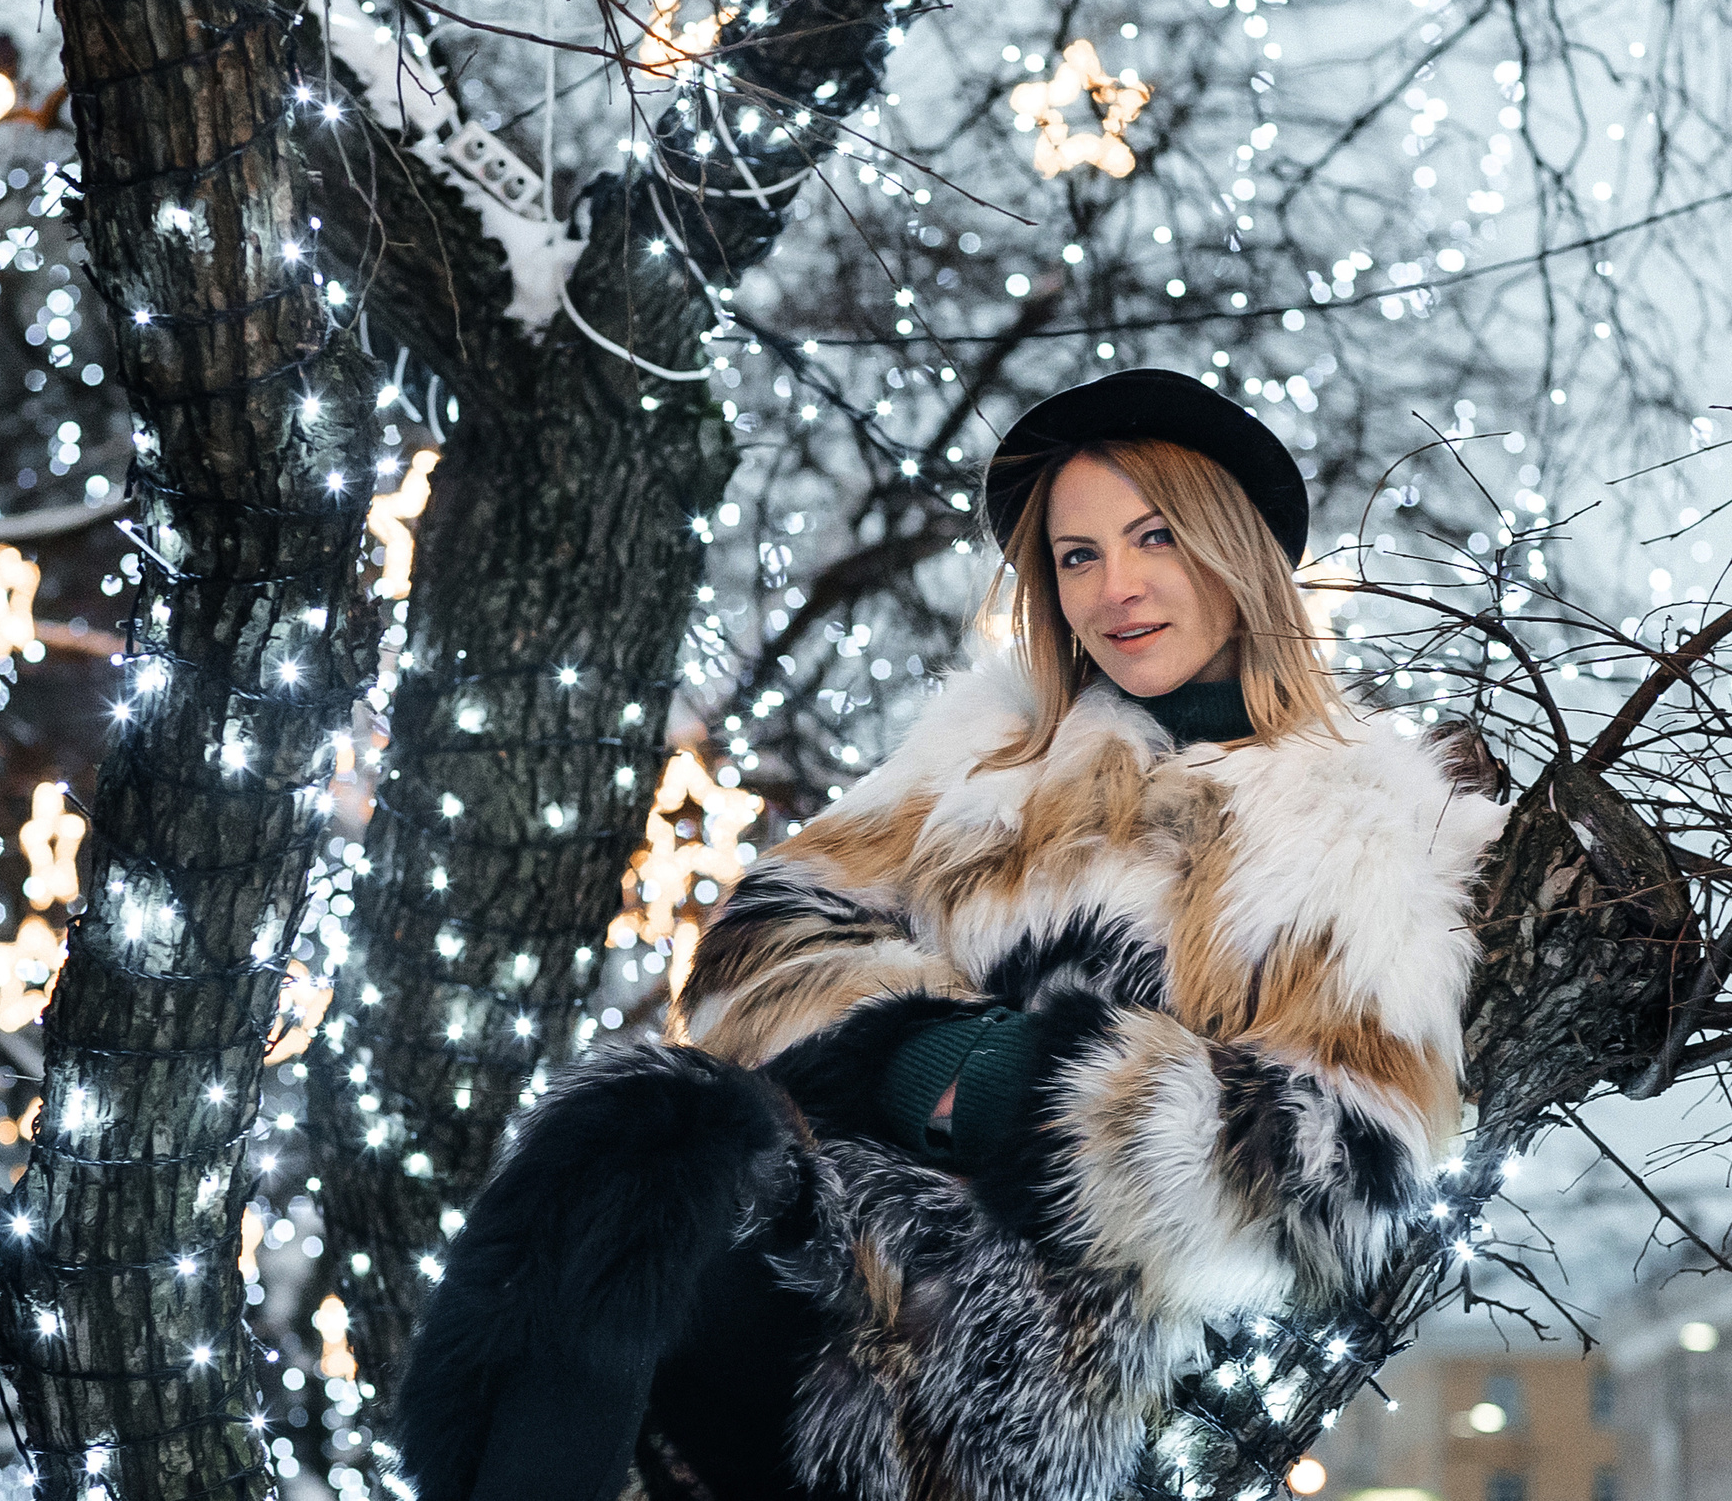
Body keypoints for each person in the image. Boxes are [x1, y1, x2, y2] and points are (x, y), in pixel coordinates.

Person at [392, 370, 1510, 1501]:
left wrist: (1030, 1086)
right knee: (640, 1130)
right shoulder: (994, 755)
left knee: (689, 1258)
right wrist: (912, 1049)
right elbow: (764, 941)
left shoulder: (1355, 820)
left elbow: (1344, 1168)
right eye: (1076, 556)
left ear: (1231, 550)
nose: (1113, 588)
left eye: (1152, 537)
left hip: (1056, 1320)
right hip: (843, 1213)